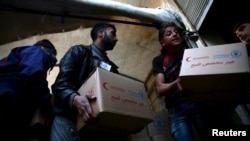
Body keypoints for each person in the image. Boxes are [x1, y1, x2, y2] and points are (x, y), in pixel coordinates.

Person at [50, 22, 120, 141]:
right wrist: (75, 99)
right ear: (100, 34)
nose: (116, 38)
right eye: (113, 33)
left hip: (97, 127)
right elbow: (60, 85)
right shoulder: (78, 52)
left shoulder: (113, 68)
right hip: (68, 120)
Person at [152, 22, 208, 141]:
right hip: (176, 109)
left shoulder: (190, 54)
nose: (175, 34)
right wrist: (177, 83)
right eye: (169, 33)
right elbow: (160, 89)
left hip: (198, 103)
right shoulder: (159, 60)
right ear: (162, 42)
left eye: (176, 32)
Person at [0, 39, 57, 141]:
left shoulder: (12, 58)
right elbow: (34, 74)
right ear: (44, 49)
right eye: (51, 60)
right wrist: (47, 104)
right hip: (7, 100)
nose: (48, 65)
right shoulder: (37, 51)